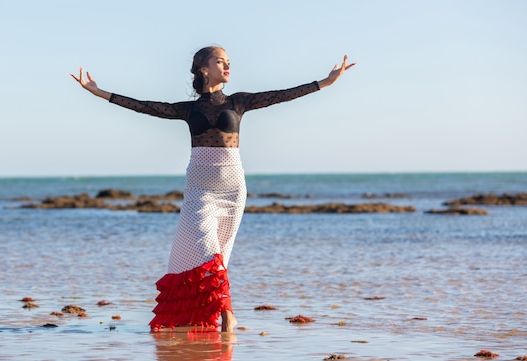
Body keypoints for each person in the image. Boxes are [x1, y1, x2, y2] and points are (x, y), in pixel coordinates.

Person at [70, 46, 355, 333]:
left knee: (220, 256)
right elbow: (144, 106)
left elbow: (282, 95)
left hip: (232, 188)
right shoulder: (190, 109)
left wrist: (325, 82)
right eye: (221, 61)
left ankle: (221, 315)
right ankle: (228, 316)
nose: (227, 66)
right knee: (206, 251)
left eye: (229, 62)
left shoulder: (238, 102)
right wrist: (99, 92)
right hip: (199, 189)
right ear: (204, 68)